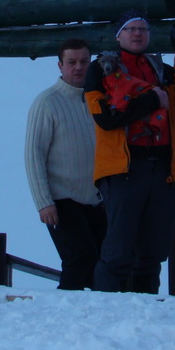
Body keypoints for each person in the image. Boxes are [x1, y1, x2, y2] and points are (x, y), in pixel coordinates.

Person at [85, 11, 175, 294]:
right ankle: (107, 311)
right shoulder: (101, 68)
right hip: (123, 169)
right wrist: (150, 99)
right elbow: (105, 118)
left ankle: (145, 313)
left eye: (143, 29)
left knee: (152, 250)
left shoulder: (162, 70)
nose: (137, 34)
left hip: (162, 168)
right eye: (130, 29)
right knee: (118, 250)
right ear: (118, 35)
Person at [25, 38, 105, 290]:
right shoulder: (47, 102)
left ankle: (92, 319)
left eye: (83, 62)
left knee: (103, 262)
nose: (78, 67)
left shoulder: (97, 99)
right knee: (79, 259)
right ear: (60, 65)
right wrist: (43, 202)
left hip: (96, 198)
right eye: (72, 62)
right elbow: (33, 154)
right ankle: (63, 314)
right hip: (61, 199)